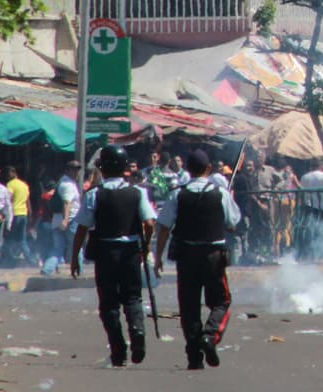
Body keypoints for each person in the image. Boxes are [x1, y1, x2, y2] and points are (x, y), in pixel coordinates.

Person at [70, 145, 157, 368]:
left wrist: (74, 255)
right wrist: (145, 246)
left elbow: (82, 228)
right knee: (133, 297)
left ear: (102, 168)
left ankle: (118, 349)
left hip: (106, 252)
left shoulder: (94, 195)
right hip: (130, 251)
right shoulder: (138, 193)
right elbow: (149, 223)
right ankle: (137, 332)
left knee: (109, 304)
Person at [154, 149, 241, 370]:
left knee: (189, 307)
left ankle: (194, 357)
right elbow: (233, 222)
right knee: (221, 301)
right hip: (213, 256)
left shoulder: (177, 194)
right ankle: (210, 337)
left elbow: (164, 226)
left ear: (188, 170)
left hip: (187, 257)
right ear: (208, 169)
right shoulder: (220, 193)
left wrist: (157, 257)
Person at [41, 161, 83, 276]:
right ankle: (78, 272)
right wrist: (65, 220)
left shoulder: (65, 182)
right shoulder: (67, 184)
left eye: (78, 169)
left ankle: (47, 270)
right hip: (69, 221)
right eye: (73, 169)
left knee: (58, 248)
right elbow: (66, 203)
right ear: (67, 170)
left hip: (58, 220)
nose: (76, 171)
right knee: (77, 248)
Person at [296, 160, 323, 261]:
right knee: (321, 230)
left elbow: (302, 190)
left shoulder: (304, 177)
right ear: (321, 166)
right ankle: (321, 254)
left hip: (309, 205)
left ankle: (309, 254)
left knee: (309, 230)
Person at [4, 166, 32, 267]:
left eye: (8, 173)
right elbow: (28, 201)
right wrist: (30, 214)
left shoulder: (10, 185)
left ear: (13, 173)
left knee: (10, 239)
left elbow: (8, 200)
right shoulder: (24, 185)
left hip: (14, 214)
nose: (6, 176)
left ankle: (9, 261)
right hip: (23, 214)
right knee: (22, 240)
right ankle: (31, 260)